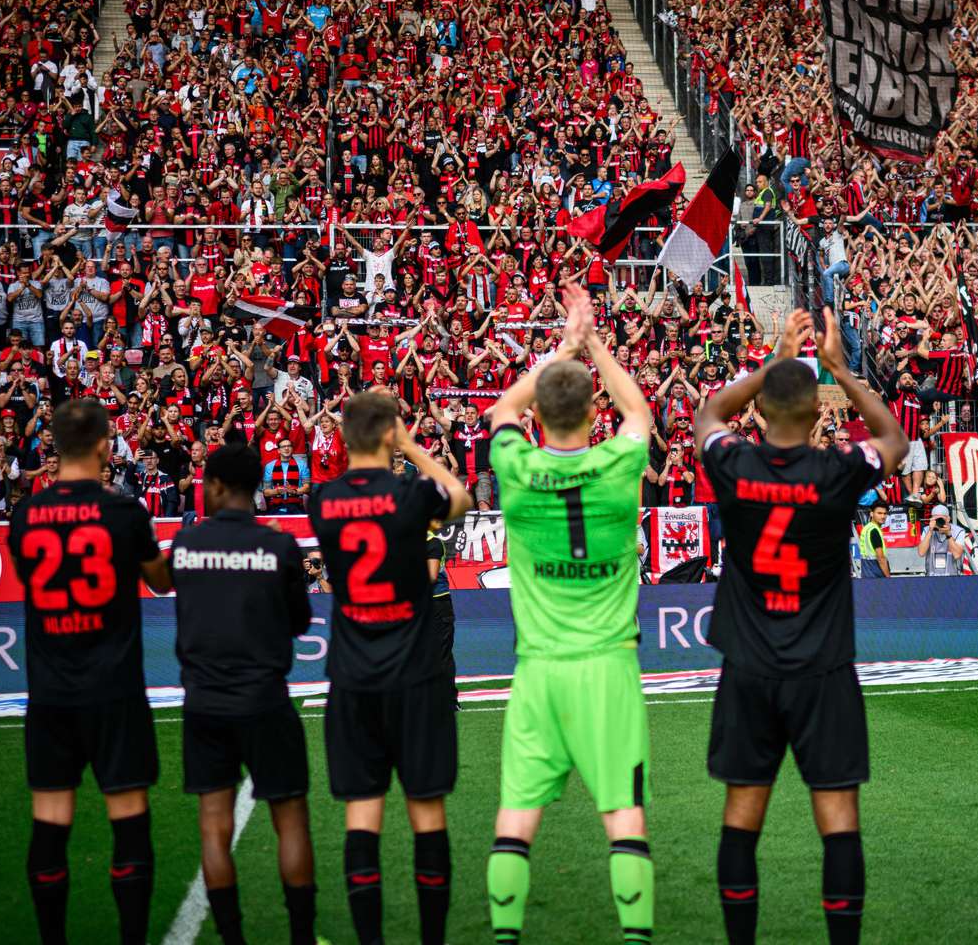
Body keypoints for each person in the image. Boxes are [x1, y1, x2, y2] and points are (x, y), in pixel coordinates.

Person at [694, 307, 906, 945]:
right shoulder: (838, 471)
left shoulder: (734, 464)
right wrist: (840, 368)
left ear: (760, 410)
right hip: (823, 671)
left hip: (750, 669)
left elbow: (708, 414)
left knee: (741, 820)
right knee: (838, 822)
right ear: (818, 413)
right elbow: (895, 440)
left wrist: (772, 362)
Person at [483, 282, 657, 945]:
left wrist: (561, 348)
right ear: (592, 411)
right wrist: (594, 346)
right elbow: (638, 410)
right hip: (608, 668)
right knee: (624, 817)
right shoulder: (618, 464)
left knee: (515, 818)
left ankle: (505, 936)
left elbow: (502, 408)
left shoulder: (517, 470)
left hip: (539, 671)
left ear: (540, 416)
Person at [308, 390, 474, 945]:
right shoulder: (411, 494)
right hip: (416, 675)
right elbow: (461, 497)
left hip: (354, 676)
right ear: (389, 435)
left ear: (345, 437)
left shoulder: (323, 500)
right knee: (426, 812)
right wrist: (414, 447)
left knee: (363, 815)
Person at [7, 398, 173, 945]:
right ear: (105, 446)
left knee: (50, 821)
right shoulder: (125, 512)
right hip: (114, 688)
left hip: (50, 690)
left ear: (54, 447)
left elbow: (30, 575)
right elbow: (160, 581)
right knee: (128, 818)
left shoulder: (27, 515)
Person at [170, 443, 319, 945]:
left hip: (204, 701)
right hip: (264, 698)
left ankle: (232, 938)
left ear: (214, 486)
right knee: (290, 819)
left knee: (213, 824)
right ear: (256, 487)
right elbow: (300, 622)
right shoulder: (278, 547)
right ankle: (302, 937)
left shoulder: (186, 545)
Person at [918, 503, 969, 574]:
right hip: (931, 575)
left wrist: (948, 535)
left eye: (941, 519)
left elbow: (957, 555)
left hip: (952, 575)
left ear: (948, 519)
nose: (939, 522)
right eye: (936, 519)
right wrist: (930, 531)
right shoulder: (927, 530)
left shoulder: (958, 531)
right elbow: (921, 553)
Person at [856, 498, 891, 578]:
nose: (883, 516)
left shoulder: (866, 528)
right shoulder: (874, 531)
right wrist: (889, 579)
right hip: (876, 577)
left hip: (867, 574)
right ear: (871, 514)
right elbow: (881, 558)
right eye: (879, 513)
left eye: (885, 513)